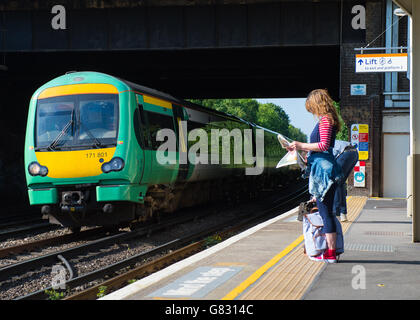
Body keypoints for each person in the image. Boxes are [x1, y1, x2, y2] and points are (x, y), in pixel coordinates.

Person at [286, 89, 343, 263]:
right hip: (325, 168)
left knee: (326, 212)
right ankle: (330, 251)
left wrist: (301, 144)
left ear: (317, 104)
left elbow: (324, 145)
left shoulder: (325, 120)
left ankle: (330, 254)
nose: (312, 112)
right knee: (327, 211)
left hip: (324, 172)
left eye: (311, 108)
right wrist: (305, 153)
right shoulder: (328, 120)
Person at [332, 140, 359, 222]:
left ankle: (336, 214)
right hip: (354, 153)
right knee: (340, 183)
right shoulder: (329, 140)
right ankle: (343, 214)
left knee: (335, 183)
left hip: (345, 153)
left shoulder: (318, 147)